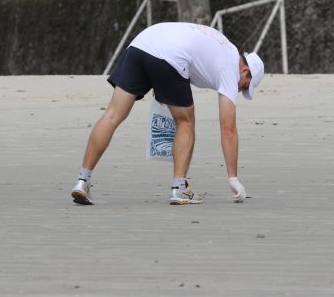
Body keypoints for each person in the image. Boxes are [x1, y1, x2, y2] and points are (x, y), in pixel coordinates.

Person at [71, 22, 265, 205]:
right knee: (185, 121)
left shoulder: (223, 45)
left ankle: (82, 180)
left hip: (141, 43)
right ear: (245, 70)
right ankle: (178, 189)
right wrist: (233, 177)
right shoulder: (230, 68)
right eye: (245, 86)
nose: (240, 90)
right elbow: (228, 130)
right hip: (170, 55)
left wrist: (159, 82)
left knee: (112, 115)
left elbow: (190, 52)